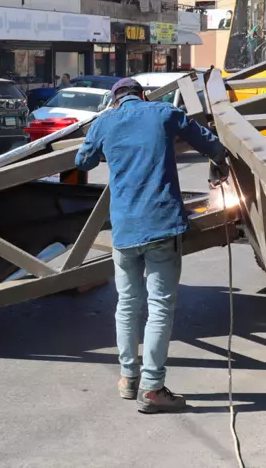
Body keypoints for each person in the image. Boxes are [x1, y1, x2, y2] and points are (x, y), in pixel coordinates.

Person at [75, 77, 227, 413]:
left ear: (115, 100)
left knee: (127, 305)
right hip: (161, 225)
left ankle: (128, 379)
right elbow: (208, 142)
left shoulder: (104, 122)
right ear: (142, 95)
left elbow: (82, 162)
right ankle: (153, 388)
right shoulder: (162, 112)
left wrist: (107, 142)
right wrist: (220, 161)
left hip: (124, 230)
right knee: (159, 307)